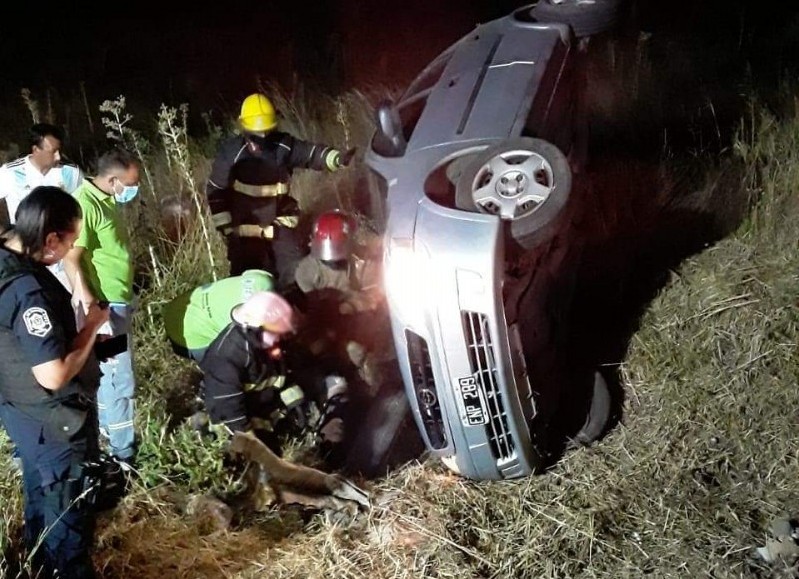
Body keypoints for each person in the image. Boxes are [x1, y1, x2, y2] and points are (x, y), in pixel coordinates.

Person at [0, 186, 109, 579]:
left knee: (40, 505)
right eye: (70, 242)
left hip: (23, 415)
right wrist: (91, 329)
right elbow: (53, 373)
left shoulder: (5, 259)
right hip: (55, 422)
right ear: (50, 240)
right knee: (67, 521)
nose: (70, 251)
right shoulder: (28, 292)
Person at [174, 289, 348, 457]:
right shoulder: (227, 356)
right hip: (225, 415)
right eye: (277, 331)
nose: (281, 337)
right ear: (256, 329)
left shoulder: (265, 346)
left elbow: (281, 379)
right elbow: (227, 410)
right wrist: (255, 448)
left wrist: (298, 408)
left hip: (258, 402)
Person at [206, 92, 355, 287]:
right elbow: (216, 191)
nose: (262, 138)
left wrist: (336, 158)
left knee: (294, 275)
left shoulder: (282, 146)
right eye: (256, 134)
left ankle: (299, 308)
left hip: (280, 224)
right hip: (244, 232)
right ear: (244, 129)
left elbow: (310, 153)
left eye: (266, 131)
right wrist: (226, 228)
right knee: (246, 284)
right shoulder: (232, 154)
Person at [63, 148, 140, 464]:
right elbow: (71, 260)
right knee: (118, 377)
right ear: (112, 179)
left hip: (116, 303)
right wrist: (95, 309)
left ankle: (110, 438)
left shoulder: (105, 200)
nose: (134, 190)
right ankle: (123, 454)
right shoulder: (85, 204)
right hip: (106, 307)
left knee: (109, 373)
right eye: (131, 184)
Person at [294, 210, 387, 388]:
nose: (332, 262)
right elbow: (312, 311)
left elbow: (376, 293)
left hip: (357, 321)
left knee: (357, 350)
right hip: (324, 325)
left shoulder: (362, 262)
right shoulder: (306, 271)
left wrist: (353, 305)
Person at [162, 269, 275, 362]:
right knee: (225, 364)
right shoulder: (241, 327)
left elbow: (249, 274)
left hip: (177, 306)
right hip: (187, 336)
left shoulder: (263, 282)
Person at [0, 123, 84, 227]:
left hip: (59, 237)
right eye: (53, 152)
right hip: (24, 237)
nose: (58, 157)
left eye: (59, 151)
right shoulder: (10, 172)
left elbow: (82, 207)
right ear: (36, 150)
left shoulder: (71, 172)